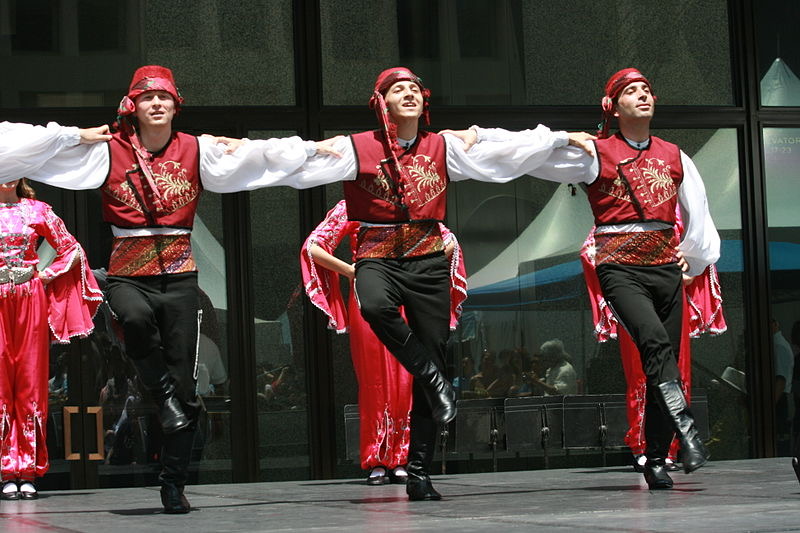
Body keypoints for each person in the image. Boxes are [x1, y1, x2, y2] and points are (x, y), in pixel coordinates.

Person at [219, 66, 591, 500]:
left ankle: (418, 471)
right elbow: (304, 155)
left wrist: (560, 138)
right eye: (398, 89)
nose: (409, 93)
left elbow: (503, 145)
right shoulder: (357, 147)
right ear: (383, 103)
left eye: (414, 87)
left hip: (428, 261)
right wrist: (248, 149)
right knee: (376, 308)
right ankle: (430, 381)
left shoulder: (443, 145)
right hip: (376, 258)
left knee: (428, 360)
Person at [1, 65, 338, 513]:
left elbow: (264, 160)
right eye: (147, 98)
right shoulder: (106, 152)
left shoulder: (198, 150)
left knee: (184, 382)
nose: (157, 104)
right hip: (126, 272)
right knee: (136, 320)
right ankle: (161, 398)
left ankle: (173, 481)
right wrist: (68, 136)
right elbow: (10, 147)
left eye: (165, 98)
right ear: (132, 106)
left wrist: (314, 147)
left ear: (176, 106)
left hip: (180, 273)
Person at [448, 67, 721, 490]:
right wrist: (481, 135)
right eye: (631, 91)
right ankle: (686, 430)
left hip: (665, 266)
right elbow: (530, 151)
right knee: (652, 342)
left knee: (660, 359)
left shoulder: (674, 154)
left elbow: (697, 210)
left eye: (646, 90)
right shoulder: (594, 152)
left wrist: (696, 259)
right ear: (613, 106)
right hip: (619, 267)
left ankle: (655, 457)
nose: (643, 96)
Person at [300, 199, 467, 485]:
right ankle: (376, 458)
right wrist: (354, 271)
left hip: (410, 291)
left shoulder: (413, 202)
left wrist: (419, 265)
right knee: (373, 379)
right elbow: (313, 246)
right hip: (372, 290)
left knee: (408, 375)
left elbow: (449, 241)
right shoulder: (355, 204)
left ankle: (403, 457)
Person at [581, 207, 726, 472]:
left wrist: (692, 264)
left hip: (669, 290)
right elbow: (591, 249)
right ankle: (645, 447)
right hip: (634, 292)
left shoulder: (676, 208)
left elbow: (702, 242)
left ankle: (667, 449)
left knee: (675, 366)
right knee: (642, 370)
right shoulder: (622, 207)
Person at [0, 178, 102, 500]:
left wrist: (43, 275)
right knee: (2, 380)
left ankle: (27, 469)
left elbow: (71, 250)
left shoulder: (38, 210)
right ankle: (6, 470)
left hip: (29, 297)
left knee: (29, 379)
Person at [772, 318, 794, 455]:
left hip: (779, 398)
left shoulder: (778, 345)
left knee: (780, 442)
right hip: (779, 397)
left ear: (775, 324)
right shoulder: (777, 344)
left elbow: (780, 379)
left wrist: (770, 407)